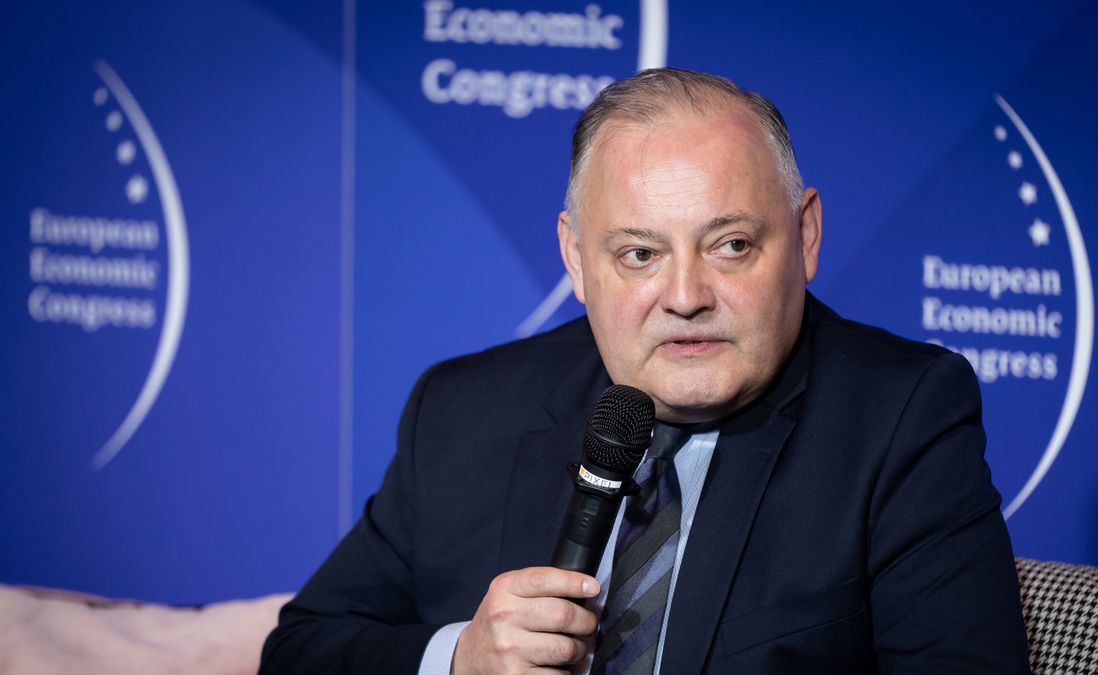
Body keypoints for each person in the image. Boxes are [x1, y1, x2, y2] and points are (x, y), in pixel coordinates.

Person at [261, 68, 1031, 674]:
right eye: (639, 253)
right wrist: (459, 659)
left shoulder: (902, 416)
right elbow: (301, 649)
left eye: (731, 245)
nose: (686, 296)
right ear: (574, 257)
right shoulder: (464, 408)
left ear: (805, 236)